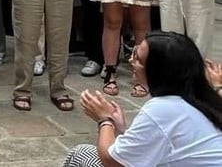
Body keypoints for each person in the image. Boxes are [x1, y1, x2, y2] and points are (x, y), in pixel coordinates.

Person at [62, 31, 222, 166]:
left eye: (138, 59)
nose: (131, 61)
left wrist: (105, 120)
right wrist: (121, 131)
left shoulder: (163, 108)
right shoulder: (202, 96)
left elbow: (112, 161)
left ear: (157, 71)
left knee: (81, 154)